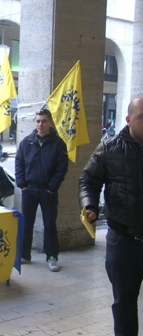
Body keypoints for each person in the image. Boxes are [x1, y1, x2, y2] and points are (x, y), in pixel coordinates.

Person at [79, 97, 143, 336]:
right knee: (124, 303)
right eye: (142, 117)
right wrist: (90, 204)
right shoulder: (109, 148)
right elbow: (88, 180)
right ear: (128, 120)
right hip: (123, 242)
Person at [15, 108, 68, 272]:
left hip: (48, 191)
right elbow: (19, 163)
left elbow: (62, 168)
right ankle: (25, 255)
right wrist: (22, 184)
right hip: (29, 189)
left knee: (50, 224)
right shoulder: (27, 142)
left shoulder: (58, 144)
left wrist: (52, 188)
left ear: (50, 122)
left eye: (44, 121)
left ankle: (51, 257)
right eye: (38, 121)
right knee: (27, 224)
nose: (41, 124)